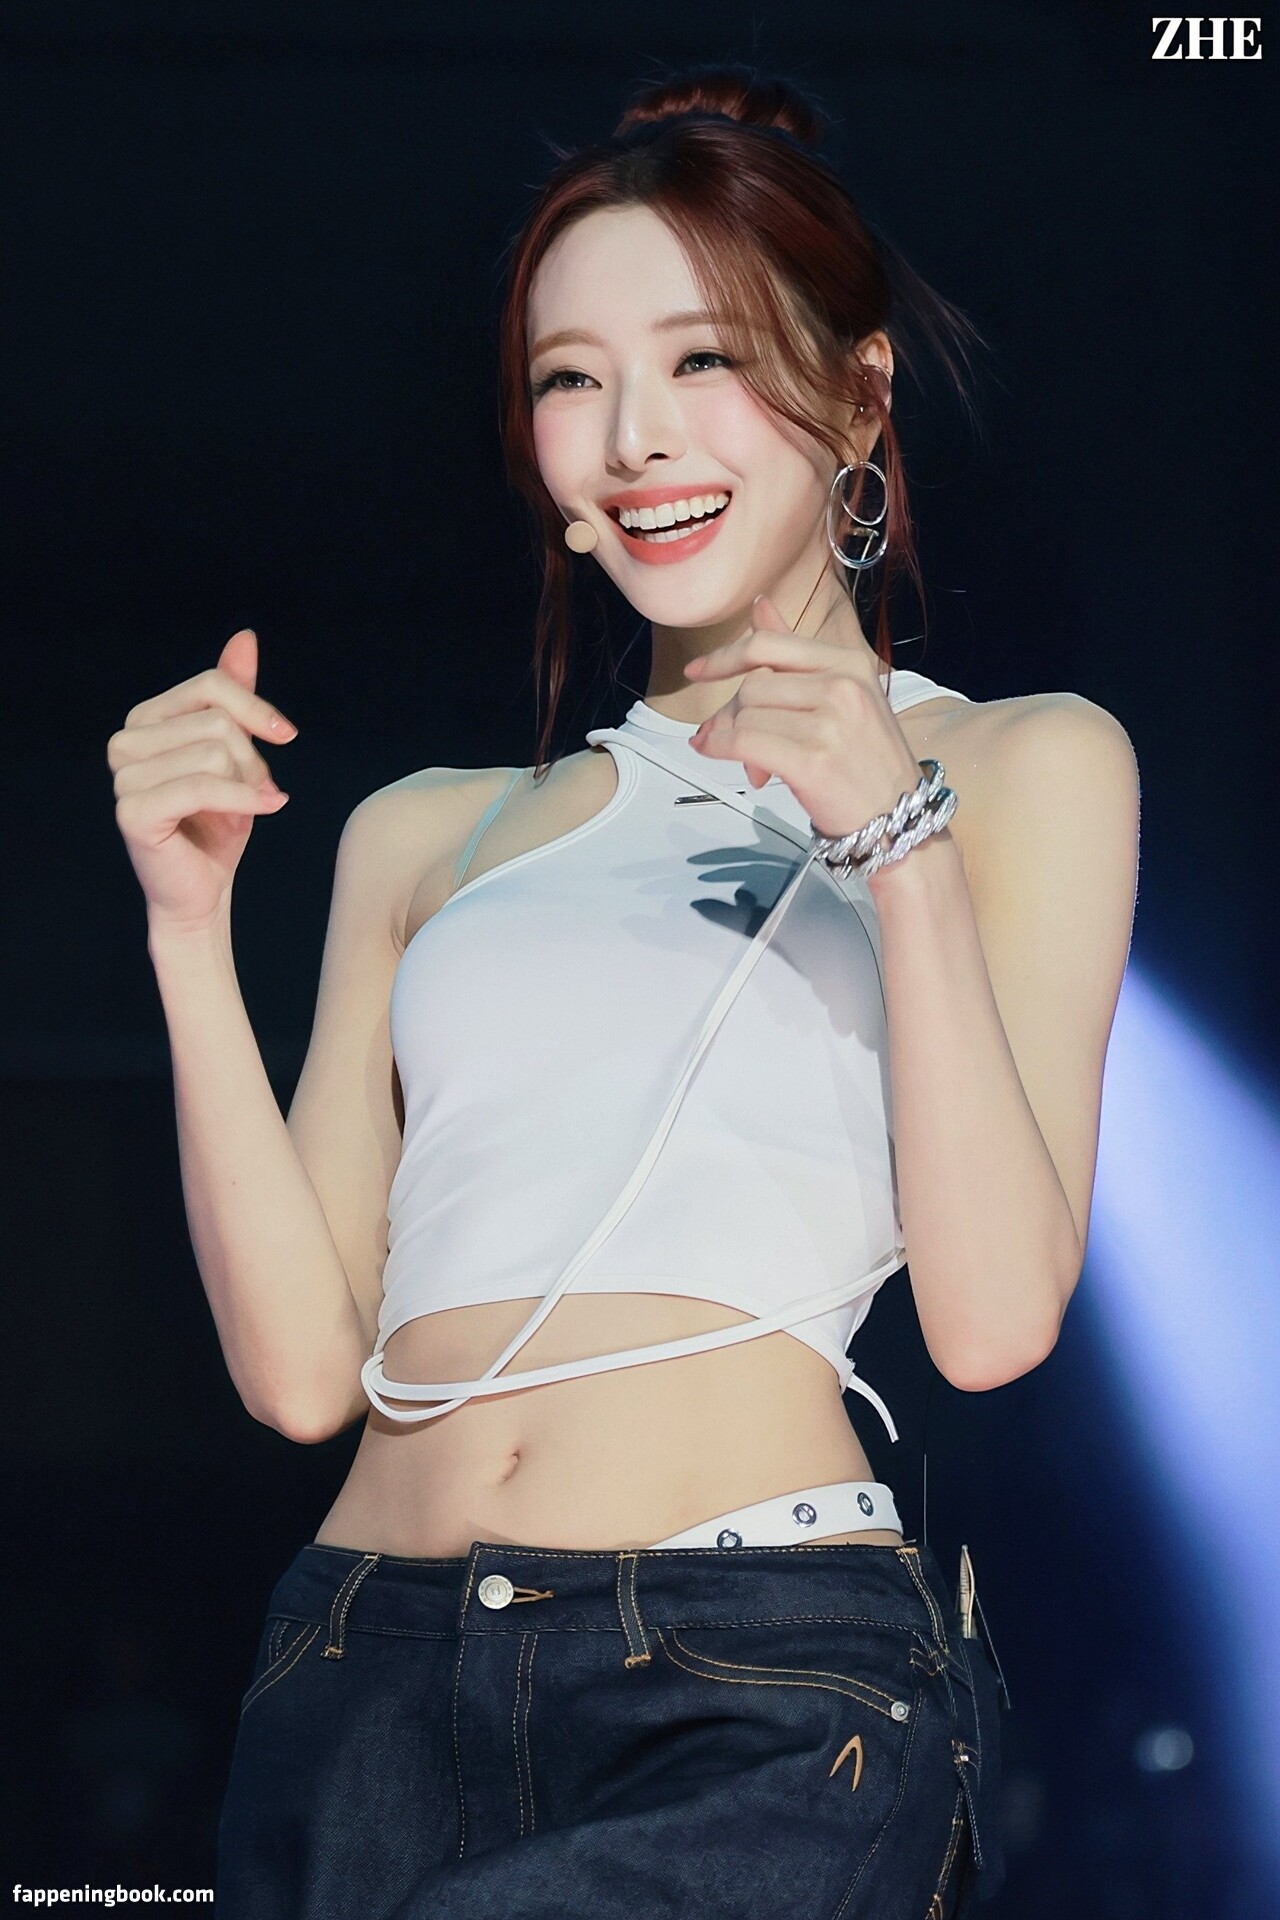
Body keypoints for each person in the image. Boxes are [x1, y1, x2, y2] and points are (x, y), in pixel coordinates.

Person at [108, 62, 1140, 1920]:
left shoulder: (1018, 766)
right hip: (358, 1667)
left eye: (704, 360)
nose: (636, 437)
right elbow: (300, 1372)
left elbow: (994, 1320)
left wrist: (896, 844)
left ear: (860, 392)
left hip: (749, 1674)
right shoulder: (426, 831)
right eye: (571, 379)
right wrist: (187, 933)